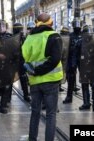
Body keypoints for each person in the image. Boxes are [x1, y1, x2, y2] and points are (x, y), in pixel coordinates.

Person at [22, 13, 63, 141]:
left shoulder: (30, 37)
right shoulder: (54, 36)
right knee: (51, 114)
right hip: (50, 81)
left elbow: (24, 57)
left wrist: (33, 71)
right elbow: (55, 59)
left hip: (34, 81)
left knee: (35, 112)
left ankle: (32, 138)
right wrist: (39, 71)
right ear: (50, 23)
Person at [79, 25, 94, 113]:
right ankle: (86, 103)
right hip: (84, 66)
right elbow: (75, 54)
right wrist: (75, 64)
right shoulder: (80, 42)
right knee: (85, 84)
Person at [62, 19, 82, 104]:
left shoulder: (83, 35)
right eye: (76, 25)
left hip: (82, 59)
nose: (77, 26)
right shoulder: (69, 36)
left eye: (78, 24)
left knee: (85, 79)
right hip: (71, 59)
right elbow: (66, 48)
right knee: (71, 79)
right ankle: (69, 97)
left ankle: (86, 101)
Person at [13, 22, 31, 102]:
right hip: (13, 61)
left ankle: (26, 94)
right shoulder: (11, 38)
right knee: (10, 79)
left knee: (23, 78)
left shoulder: (24, 38)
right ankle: (7, 97)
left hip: (21, 60)